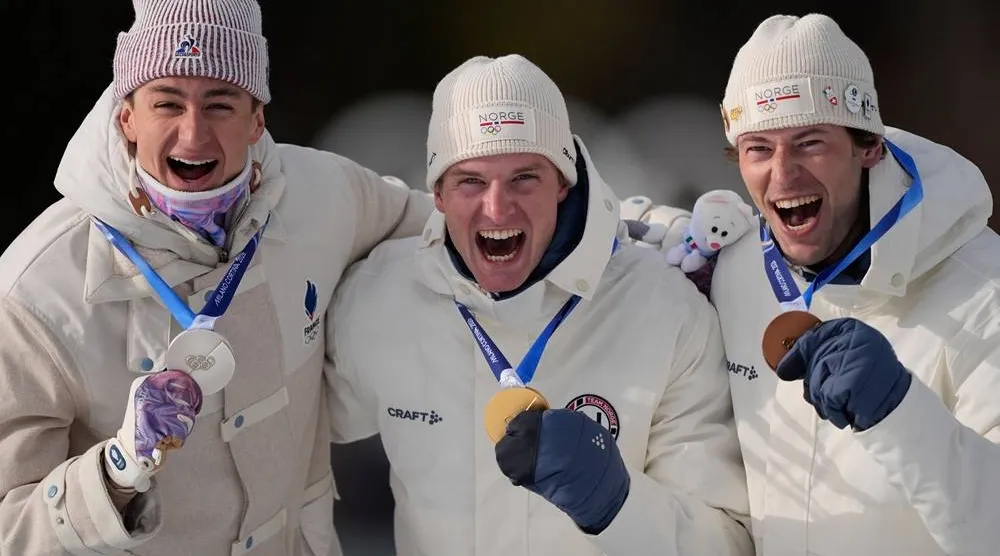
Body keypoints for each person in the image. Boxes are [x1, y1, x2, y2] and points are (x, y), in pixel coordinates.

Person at [0, 1, 433, 554]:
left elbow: (446, 239)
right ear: (125, 116)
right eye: (167, 103)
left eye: (220, 103)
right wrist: (115, 470)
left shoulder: (325, 195)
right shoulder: (35, 294)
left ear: (257, 118)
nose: (193, 133)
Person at [325, 54, 754, 556]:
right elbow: (280, 433)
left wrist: (617, 504)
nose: (497, 207)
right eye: (470, 181)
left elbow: (728, 542)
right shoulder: (381, 296)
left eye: (525, 177)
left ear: (563, 183)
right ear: (437, 193)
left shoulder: (663, 308)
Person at [625, 13, 1000, 555]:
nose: (783, 174)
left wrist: (899, 410)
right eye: (758, 148)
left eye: (809, 143)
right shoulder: (729, 271)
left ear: (868, 145)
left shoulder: (982, 294)